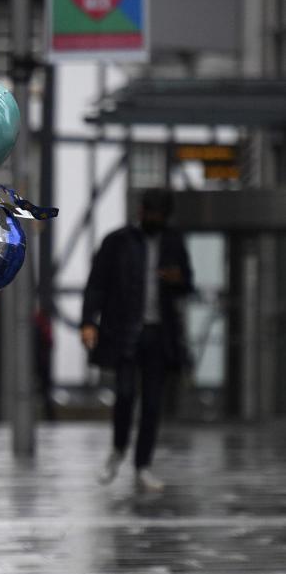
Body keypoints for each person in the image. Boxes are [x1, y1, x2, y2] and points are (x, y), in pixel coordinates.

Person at [81, 189, 193, 493]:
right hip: (124, 330)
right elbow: (97, 284)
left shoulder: (173, 241)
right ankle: (118, 449)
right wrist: (89, 321)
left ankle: (142, 464)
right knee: (126, 394)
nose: (153, 219)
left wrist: (176, 279)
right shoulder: (117, 241)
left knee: (153, 404)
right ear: (141, 212)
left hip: (160, 333)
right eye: (150, 214)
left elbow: (188, 284)